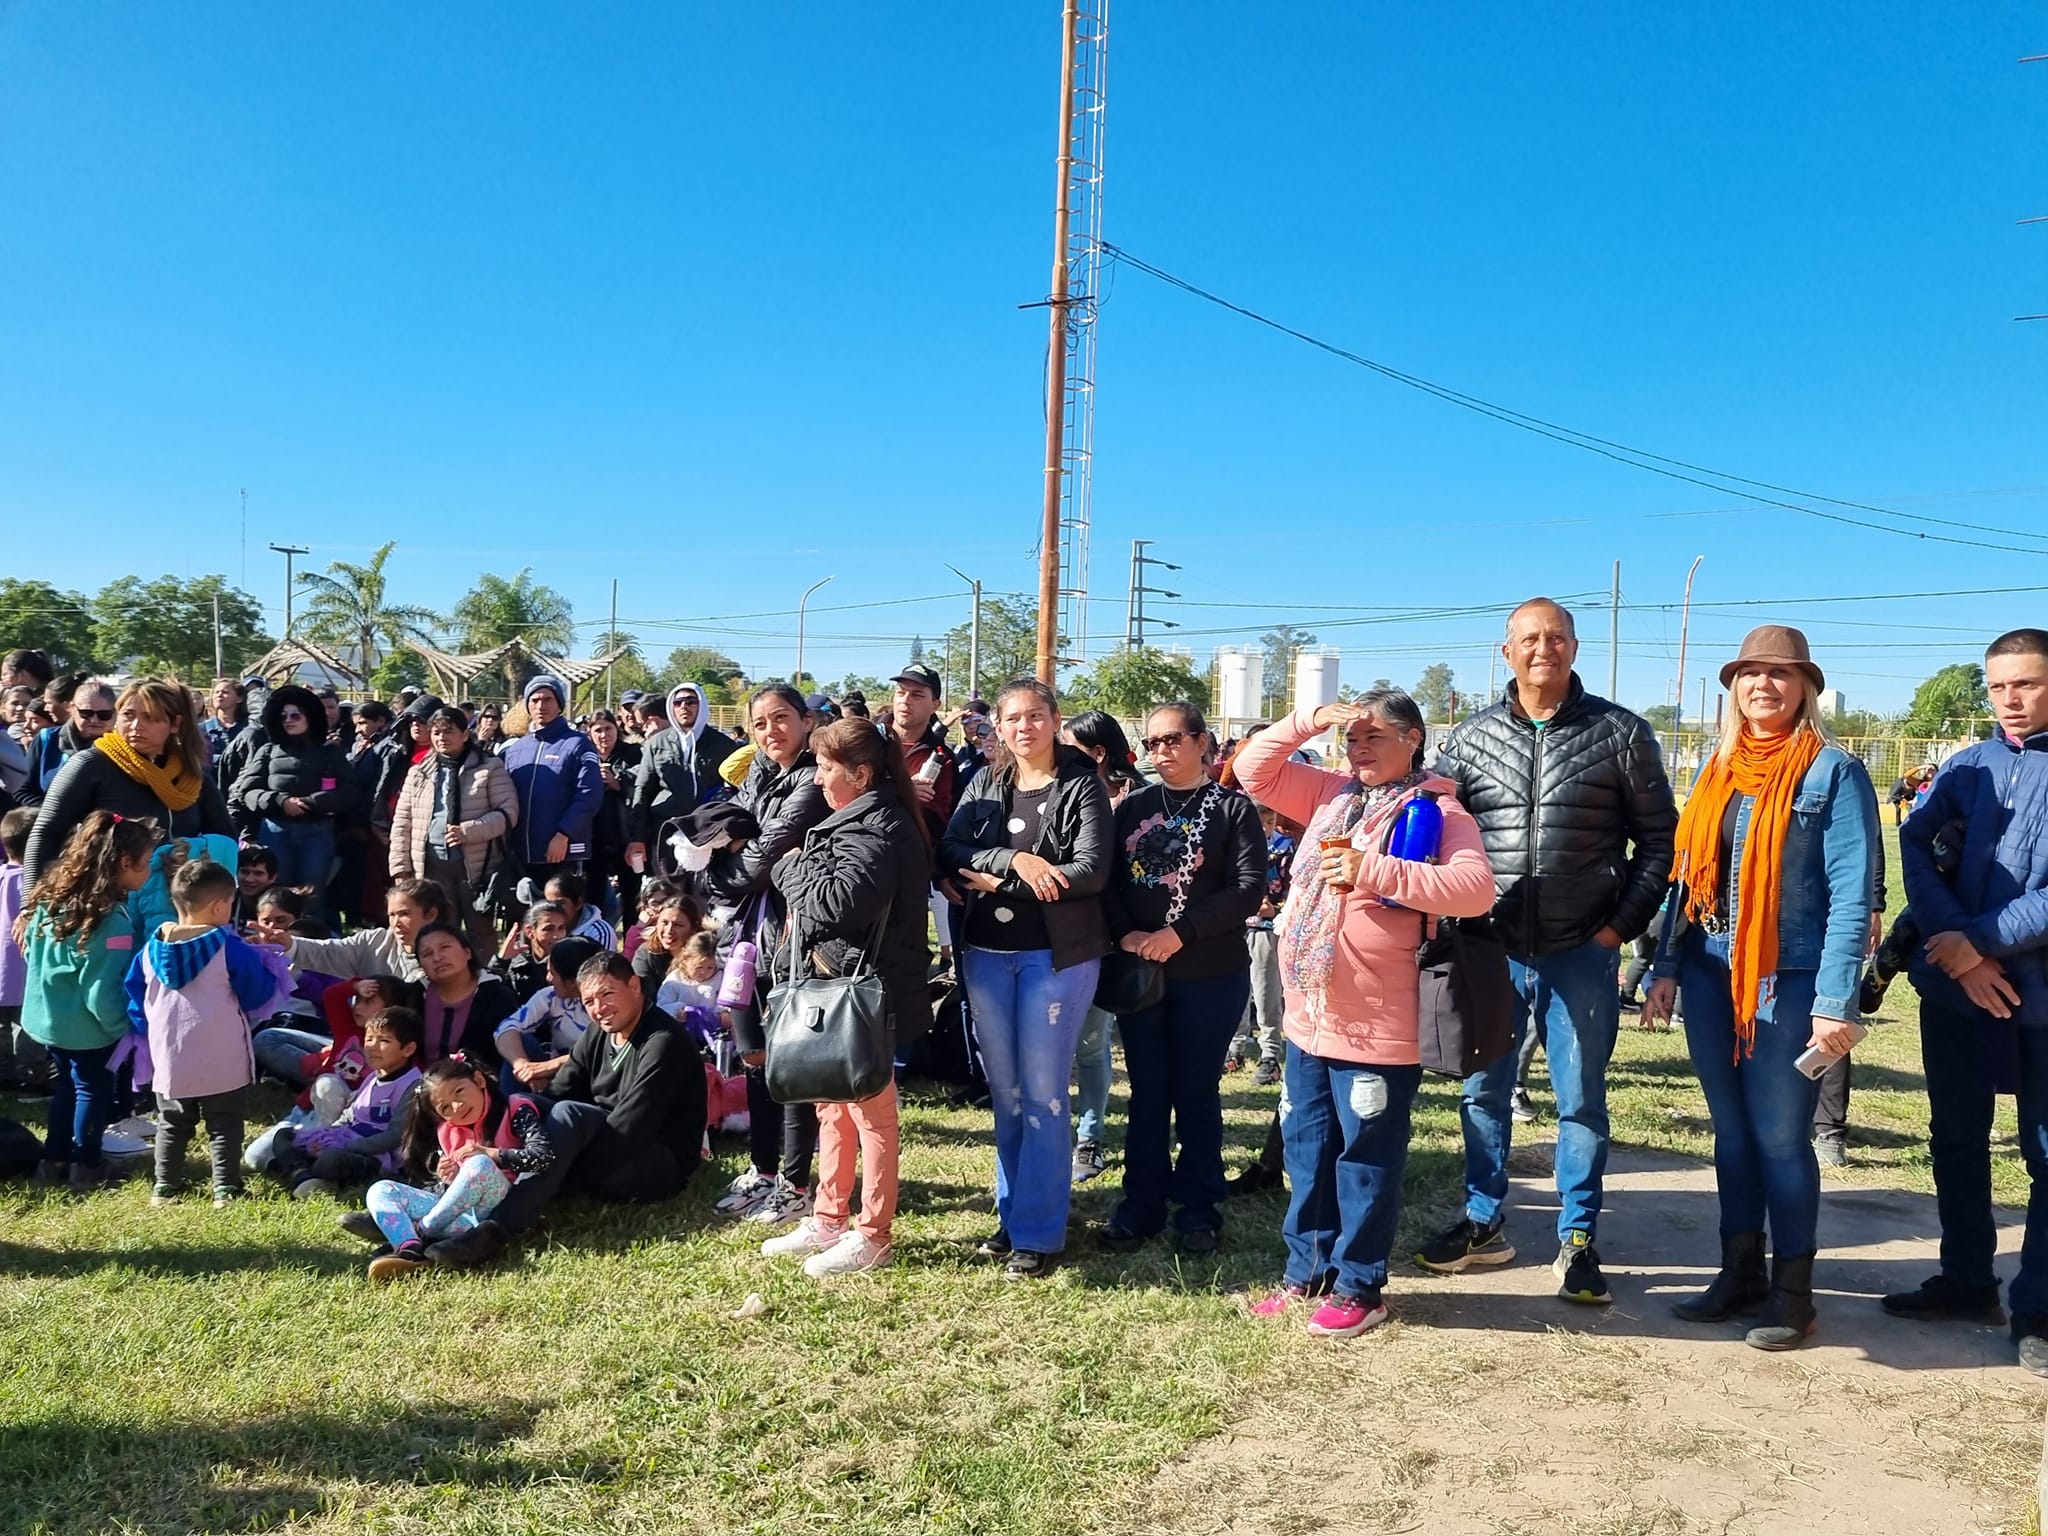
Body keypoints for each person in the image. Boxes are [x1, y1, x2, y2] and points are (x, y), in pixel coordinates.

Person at [1425, 598, 1678, 1305]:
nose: (1545, 648)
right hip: (1490, 949)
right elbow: (1438, 833)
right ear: (1505, 651)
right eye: (1530, 638)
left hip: (1580, 952)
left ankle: (1578, 1238)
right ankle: (1483, 1221)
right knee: (1483, 1093)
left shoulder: (1620, 734)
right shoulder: (1468, 741)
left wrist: (1615, 930)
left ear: (1575, 647)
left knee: (1581, 1102)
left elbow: (1660, 843)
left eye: (1558, 637)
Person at [1642, 626, 1878, 1350]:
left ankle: (1792, 1295)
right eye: (1750, 674)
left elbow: (1852, 894)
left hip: (1792, 978)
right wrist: (1666, 967)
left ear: (1805, 686)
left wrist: (1836, 1001)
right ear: (1734, 687)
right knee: (1734, 1134)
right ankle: (1738, 1272)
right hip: (1713, 973)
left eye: (1780, 674)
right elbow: (1688, 879)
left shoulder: (1834, 773)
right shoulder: (1718, 770)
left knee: (1780, 1137)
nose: (1763, 686)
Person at [1235, 691, 1497, 1335]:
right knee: (1306, 1150)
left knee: (1365, 1158)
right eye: (1351, 739)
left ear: (1413, 738)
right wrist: (1309, 721)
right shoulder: (1330, 794)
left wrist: (1370, 870)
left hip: (1376, 1027)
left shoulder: (1440, 809)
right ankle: (1306, 1274)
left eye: (1373, 737)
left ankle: (1360, 1286)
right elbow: (1251, 771)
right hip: (1309, 1017)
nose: (1358, 749)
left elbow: (1473, 889)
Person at [1881, 628, 2048, 1378]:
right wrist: (1952, 942)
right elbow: (1916, 847)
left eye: (2028, 684)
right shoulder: (1967, 767)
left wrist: (1979, 942)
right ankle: (1967, 1278)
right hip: (1956, 992)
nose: (2011, 700)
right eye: (1999, 686)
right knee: (1955, 1139)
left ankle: (2037, 1307)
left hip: (2037, 995)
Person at [940, 676, 1113, 1279]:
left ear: (1055, 718)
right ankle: (1012, 1213)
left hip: (1054, 958)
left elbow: (1090, 871)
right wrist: (1014, 860)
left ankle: (1039, 1232)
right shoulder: (986, 780)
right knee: (1006, 1093)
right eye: (1011, 718)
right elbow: (951, 848)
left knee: (1042, 1094)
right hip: (987, 953)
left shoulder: (1080, 784)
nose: (1022, 728)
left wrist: (1000, 881)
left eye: (1035, 716)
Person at [761, 717, 932, 1278]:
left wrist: (787, 868)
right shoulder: (857, 818)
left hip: (866, 994)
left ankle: (873, 1234)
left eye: (825, 768)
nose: (815, 778)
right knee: (831, 1104)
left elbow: (835, 903)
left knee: (873, 1116)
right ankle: (829, 1217)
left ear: (859, 775)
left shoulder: (877, 828)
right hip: (838, 986)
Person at [1097, 703, 1266, 1256]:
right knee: (1147, 1092)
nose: (1162, 751)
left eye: (1173, 739)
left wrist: (1181, 933)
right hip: (1141, 972)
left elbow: (1246, 888)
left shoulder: (1233, 809)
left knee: (1195, 1092)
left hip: (1209, 972)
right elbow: (1108, 881)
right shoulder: (1133, 808)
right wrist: (1126, 933)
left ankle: (1198, 1207)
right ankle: (1140, 1204)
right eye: (1152, 743)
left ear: (1202, 742)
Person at [423, 951, 710, 1269]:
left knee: (568, 1115)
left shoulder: (662, 1041)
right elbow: (560, 1091)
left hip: (655, 1163)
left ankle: (495, 1231)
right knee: (531, 1106)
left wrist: (556, 1166)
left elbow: (630, 1129)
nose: (599, 1009)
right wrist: (528, 1147)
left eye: (607, 994)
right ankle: (440, 1205)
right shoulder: (601, 1031)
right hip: (602, 1140)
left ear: (634, 986)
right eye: (589, 1001)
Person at [702, 684, 831, 1229]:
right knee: (753, 1056)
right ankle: (761, 1168)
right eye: (759, 723)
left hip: (792, 941)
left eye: (782, 719)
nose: (771, 731)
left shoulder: (811, 778)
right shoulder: (756, 772)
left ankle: (795, 1182)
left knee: (792, 1066)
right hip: (746, 941)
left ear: (805, 721)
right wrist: (728, 858)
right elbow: (719, 844)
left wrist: (731, 858)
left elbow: (762, 857)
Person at [124, 858, 294, 1209]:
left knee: (172, 1123)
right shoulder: (228, 947)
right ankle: (225, 1190)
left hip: (169, 1057)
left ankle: (165, 1188)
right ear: (220, 905)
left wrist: (150, 1030)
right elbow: (258, 993)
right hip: (223, 1054)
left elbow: (134, 996)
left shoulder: (150, 948)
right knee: (225, 1123)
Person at [16, 811, 154, 1191]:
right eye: (145, 864)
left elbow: (34, 957)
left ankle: (54, 1159)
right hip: (89, 1029)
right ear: (124, 864)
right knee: (93, 1091)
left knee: (68, 1088)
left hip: (47, 1020)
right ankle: (87, 1165)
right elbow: (100, 989)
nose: (148, 872)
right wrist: (121, 1031)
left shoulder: (51, 901)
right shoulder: (112, 924)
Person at [358, 1054, 557, 1282]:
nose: (456, 1107)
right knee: (381, 1189)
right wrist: (447, 1178)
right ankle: (407, 1246)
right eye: (445, 1108)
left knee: (479, 1164)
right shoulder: (449, 1131)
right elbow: (458, 1190)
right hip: (458, 1219)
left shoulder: (515, 1109)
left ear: (479, 1081)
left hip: (496, 1209)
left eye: (459, 1091)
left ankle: (421, 1232)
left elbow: (543, 1156)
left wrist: (493, 1154)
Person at [23, 678, 235, 887]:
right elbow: (46, 833)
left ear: (175, 724)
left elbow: (225, 837)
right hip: (106, 899)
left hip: (178, 901)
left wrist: (187, 853)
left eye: (150, 718)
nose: (136, 726)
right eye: (128, 715)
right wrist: (30, 906)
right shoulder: (90, 764)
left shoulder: (191, 773)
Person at [1058, 709, 1143, 1183]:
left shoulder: (1136, 801)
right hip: (1066, 937)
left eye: (1069, 746)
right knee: (1070, 1044)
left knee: (1094, 1044)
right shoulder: (1057, 791)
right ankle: (1061, 1135)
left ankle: (1091, 1138)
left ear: (1098, 753)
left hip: (1119, 940)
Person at [389, 705, 518, 954]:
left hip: (476, 869)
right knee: (438, 930)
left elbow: (508, 813)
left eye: (448, 731)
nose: (441, 738)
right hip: (431, 867)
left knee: (479, 931)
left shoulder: (489, 768)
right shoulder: (418, 772)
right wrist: (400, 868)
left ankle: (486, 984)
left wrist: (468, 831)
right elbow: (402, 823)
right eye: (436, 732)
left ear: (465, 734)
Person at [264, 1004, 426, 1199]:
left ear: (408, 1049)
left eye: (384, 1040)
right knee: (284, 1135)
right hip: (345, 1140)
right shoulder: (373, 1076)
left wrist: (343, 1147)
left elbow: (395, 1137)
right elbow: (349, 1115)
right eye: (369, 1039)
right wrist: (326, 1137)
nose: (372, 1047)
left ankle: (299, 1169)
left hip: (375, 1156)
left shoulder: (413, 1086)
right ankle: (304, 1175)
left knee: (331, 1159)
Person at [229, 685, 361, 912]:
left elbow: (350, 792)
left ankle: (308, 943)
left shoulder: (330, 752)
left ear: (309, 717)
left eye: (295, 715)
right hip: (275, 831)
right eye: (283, 716)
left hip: (317, 832)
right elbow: (247, 792)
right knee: (273, 896)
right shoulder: (268, 750)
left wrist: (312, 802)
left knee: (312, 897)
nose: (288, 720)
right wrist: (281, 802)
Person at [499, 674, 604, 900]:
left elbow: (589, 795)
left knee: (561, 920)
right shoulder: (516, 749)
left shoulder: (578, 744)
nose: (540, 706)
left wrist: (564, 834)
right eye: (534, 700)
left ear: (559, 705)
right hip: (523, 854)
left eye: (547, 699)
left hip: (561, 853)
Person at [625, 684, 735, 886]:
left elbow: (737, 790)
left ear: (701, 706)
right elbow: (642, 791)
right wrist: (636, 838)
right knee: (668, 897)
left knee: (704, 900)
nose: (684, 706)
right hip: (665, 833)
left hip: (709, 834)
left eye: (691, 701)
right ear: (671, 707)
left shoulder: (723, 745)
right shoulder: (657, 743)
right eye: (678, 702)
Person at [277, 877, 449, 985]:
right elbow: (329, 953)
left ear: (431, 914)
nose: (396, 923)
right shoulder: (375, 941)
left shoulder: (451, 955)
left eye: (404, 914)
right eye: (391, 915)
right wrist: (289, 944)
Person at [494, 935, 601, 1094]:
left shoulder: (606, 1008)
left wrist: (546, 1068)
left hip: (593, 1082)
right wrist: (523, 1066)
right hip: (554, 1076)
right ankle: (507, 1112)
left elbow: (602, 1053)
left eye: (553, 973)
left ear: (574, 982)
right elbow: (505, 1029)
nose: (548, 978)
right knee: (521, 1042)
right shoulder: (552, 997)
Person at [412, 922, 519, 1066]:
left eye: (445, 947)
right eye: (427, 954)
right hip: (420, 1085)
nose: (437, 958)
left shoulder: (497, 997)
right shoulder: (412, 998)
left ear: (467, 952)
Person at [0, 805, 45, 1092]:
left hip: (2, 970)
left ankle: (4, 1076)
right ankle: (33, 1079)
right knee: (29, 1026)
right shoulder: (35, 884)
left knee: (2, 1029)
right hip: (25, 968)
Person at [584, 709, 642, 920]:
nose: (603, 735)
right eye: (597, 730)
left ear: (616, 729)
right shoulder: (584, 755)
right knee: (593, 898)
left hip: (628, 836)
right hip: (594, 838)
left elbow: (643, 786)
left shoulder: (634, 753)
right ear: (590, 732)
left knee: (632, 899)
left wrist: (618, 781)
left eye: (608, 728)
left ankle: (632, 947)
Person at [27, 675, 116, 801]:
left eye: (104, 714)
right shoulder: (46, 739)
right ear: (72, 708)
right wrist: (49, 815)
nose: (95, 720)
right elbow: (24, 790)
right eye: (86, 713)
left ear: (114, 713)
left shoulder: (121, 748)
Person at [198, 678, 247, 765]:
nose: (219, 695)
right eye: (216, 692)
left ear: (239, 699)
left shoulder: (248, 729)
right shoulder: (201, 729)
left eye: (225, 692)